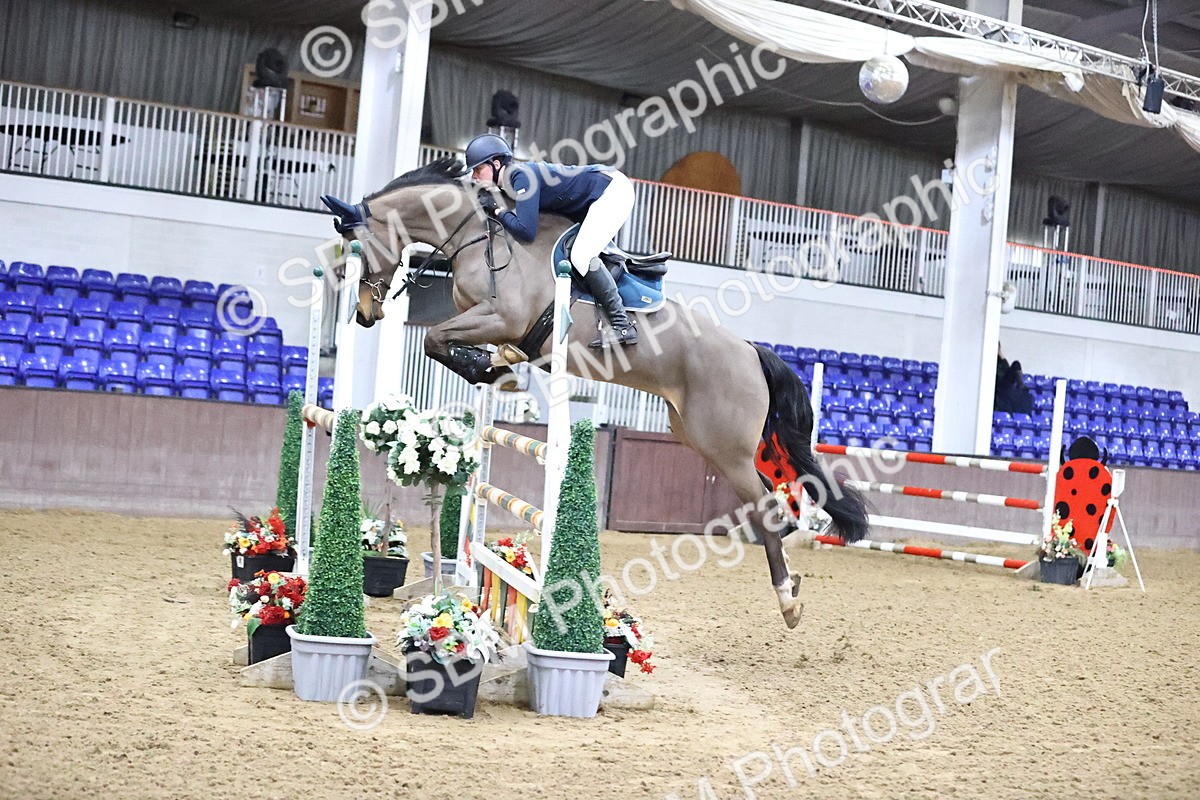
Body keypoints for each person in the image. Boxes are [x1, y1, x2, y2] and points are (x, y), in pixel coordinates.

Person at [464, 133, 637, 348]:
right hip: (593, 197)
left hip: (612, 191)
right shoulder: (508, 183)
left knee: (582, 256)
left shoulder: (521, 176)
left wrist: (498, 211)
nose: (474, 176)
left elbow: (526, 231)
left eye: (478, 169)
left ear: (496, 163)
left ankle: (622, 324)